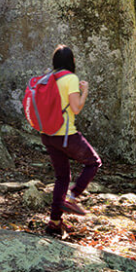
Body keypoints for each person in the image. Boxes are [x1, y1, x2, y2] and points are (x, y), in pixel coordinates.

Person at [42, 44, 102, 237]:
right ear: (72, 61)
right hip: (65, 134)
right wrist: (85, 91)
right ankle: (72, 197)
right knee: (93, 162)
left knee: (62, 176)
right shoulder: (71, 78)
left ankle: (54, 222)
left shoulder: (49, 77)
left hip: (47, 134)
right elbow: (76, 108)